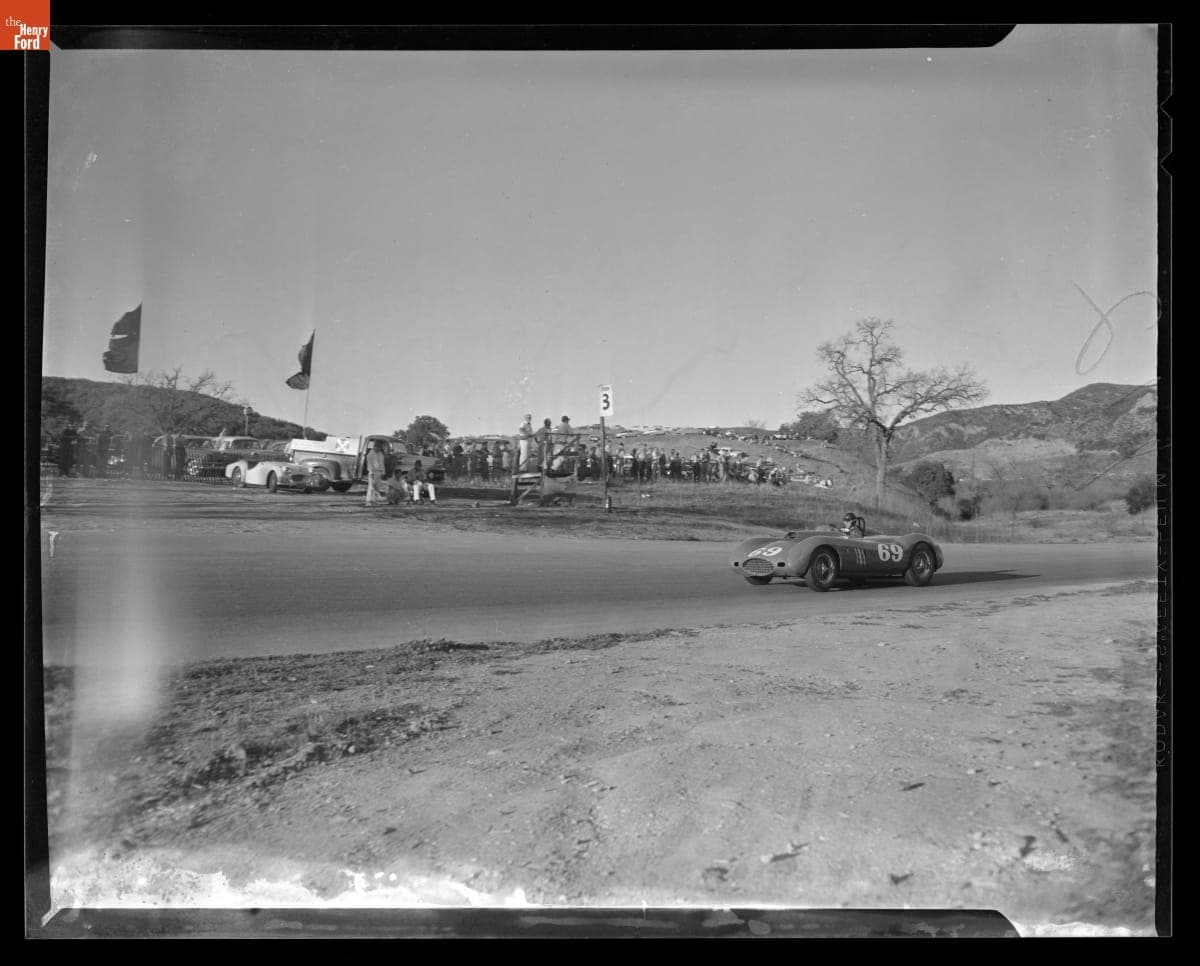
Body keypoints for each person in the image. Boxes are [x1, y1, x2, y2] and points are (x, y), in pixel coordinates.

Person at [364, 440, 387, 506]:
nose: (379, 448)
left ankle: (376, 501)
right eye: (378, 447)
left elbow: (382, 463)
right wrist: (371, 473)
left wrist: (383, 472)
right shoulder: (370, 454)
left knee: (377, 487)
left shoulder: (380, 454)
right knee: (371, 487)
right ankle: (369, 501)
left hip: (379, 473)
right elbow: (369, 464)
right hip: (373, 472)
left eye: (380, 447)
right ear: (375, 446)